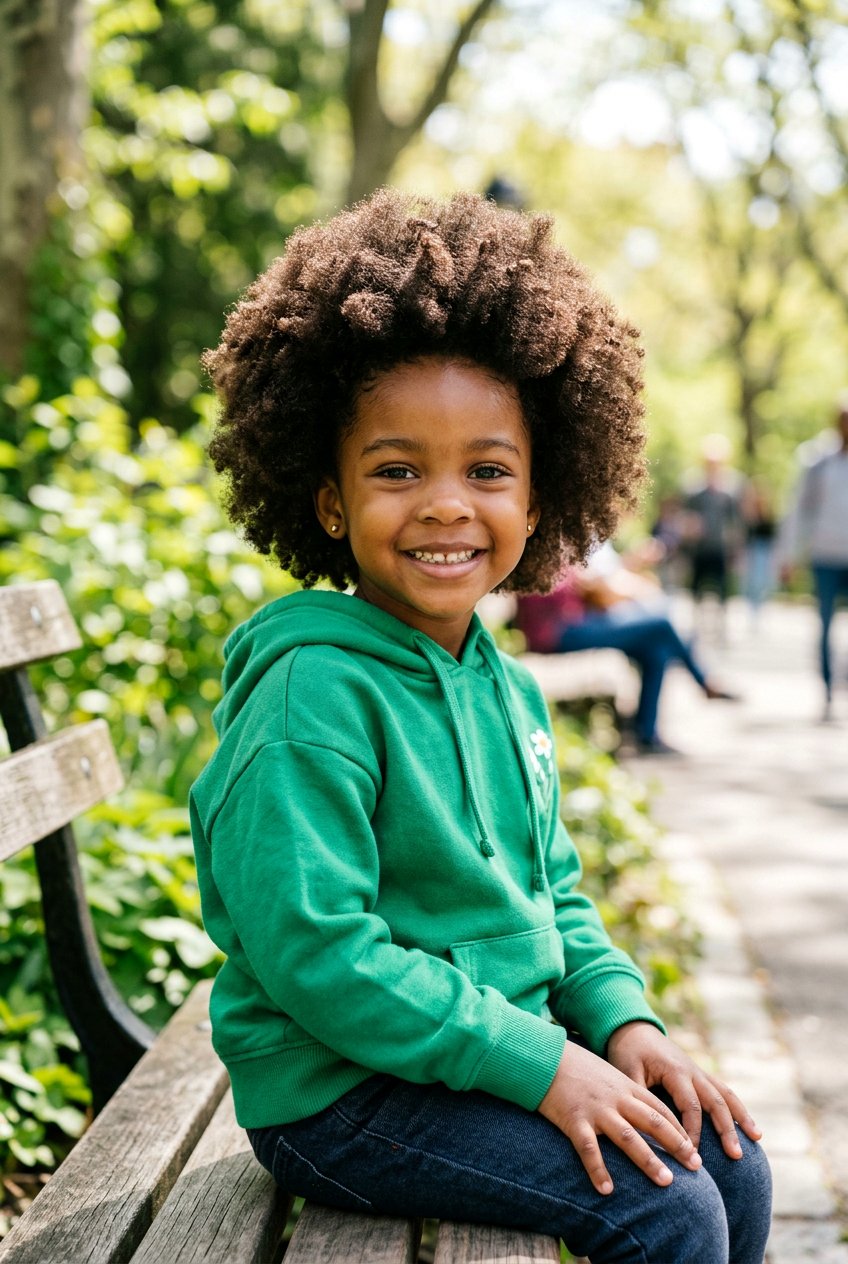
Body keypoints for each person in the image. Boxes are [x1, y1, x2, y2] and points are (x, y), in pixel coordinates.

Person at [190, 190, 771, 1264]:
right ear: (328, 501)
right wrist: (545, 1066)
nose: (447, 504)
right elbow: (321, 954)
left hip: (460, 1055)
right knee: (666, 1208)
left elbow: (550, 895)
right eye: (397, 469)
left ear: (542, 493)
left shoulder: (495, 683)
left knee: (730, 1156)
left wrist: (622, 1026)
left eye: (487, 470)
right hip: (338, 1093)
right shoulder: (308, 695)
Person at [515, 541, 738, 755]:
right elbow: (563, 589)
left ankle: (647, 733)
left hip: (574, 624)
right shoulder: (539, 549)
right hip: (559, 632)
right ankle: (703, 682)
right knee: (661, 624)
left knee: (654, 651)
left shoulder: (560, 547)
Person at [778, 399, 848, 720]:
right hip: (825, 555)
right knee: (825, 625)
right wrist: (788, 556)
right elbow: (798, 511)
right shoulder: (817, 460)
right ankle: (828, 692)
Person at [682, 435, 744, 634]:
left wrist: (737, 550)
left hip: (721, 547)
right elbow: (686, 516)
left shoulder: (731, 487)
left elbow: (736, 521)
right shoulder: (693, 486)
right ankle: (696, 626)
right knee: (696, 587)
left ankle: (721, 626)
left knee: (722, 588)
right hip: (699, 547)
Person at [739, 476, 777, 627]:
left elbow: (771, 537)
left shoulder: (767, 518)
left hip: (762, 552)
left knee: (760, 581)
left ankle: (758, 610)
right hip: (751, 551)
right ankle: (751, 610)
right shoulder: (747, 518)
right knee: (749, 581)